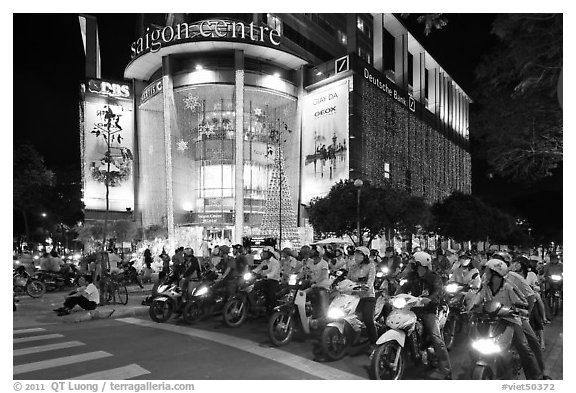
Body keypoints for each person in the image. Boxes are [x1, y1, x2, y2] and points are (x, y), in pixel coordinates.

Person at [468, 259, 543, 380]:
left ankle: (537, 377)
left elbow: (523, 303)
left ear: (496, 274)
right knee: (473, 345)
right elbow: (478, 297)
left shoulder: (509, 287)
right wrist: (471, 307)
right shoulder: (485, 286)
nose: (485, 273)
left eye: (488, 271)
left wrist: (519, 310)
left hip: (510, 321)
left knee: (523, 347)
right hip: (491, 321)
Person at [396, 251, 452, 379]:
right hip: (412, 308)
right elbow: (402, 288)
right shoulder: (411, 276)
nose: (411, 266)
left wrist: (430, 299)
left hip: (429, 311)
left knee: (436, 338)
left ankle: (446, 369)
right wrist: (394, 296)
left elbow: (438, 292)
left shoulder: (434, 277)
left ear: (421, 264)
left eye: (414, 263)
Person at [347, 246, 378, 347]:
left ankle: (374, 342)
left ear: (365, 256)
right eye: (355, 255)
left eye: (358, 255)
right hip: (354, 297)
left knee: (368, 319)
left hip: (368, 297)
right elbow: (348, 280)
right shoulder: (352, 266)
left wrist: (366, 286)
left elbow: (371, 280)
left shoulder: (371, 266)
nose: (356, 257)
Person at [252, 246, 281, 314]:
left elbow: (273, 272)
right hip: (264, 280)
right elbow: (258, 268)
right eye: (263, 252)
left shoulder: (275, 262)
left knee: (270, 295)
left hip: (273, 281)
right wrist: (252, 272)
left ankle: (272, 310)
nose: (263, 254)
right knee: (253, 286)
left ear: (270, 254)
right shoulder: (264, 261)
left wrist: (266, 276)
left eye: (265, 253)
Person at [303, 249, 331, 319]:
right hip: (313, 287)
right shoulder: (310, 263)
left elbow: (323, 276)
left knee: (323, 304)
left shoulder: (324, 263)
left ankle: (324, 318)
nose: (314, 259)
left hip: (323, 287)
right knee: (302, 294)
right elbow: (306, 271)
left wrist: (315, 281)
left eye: (316, 257)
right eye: (313, 257)